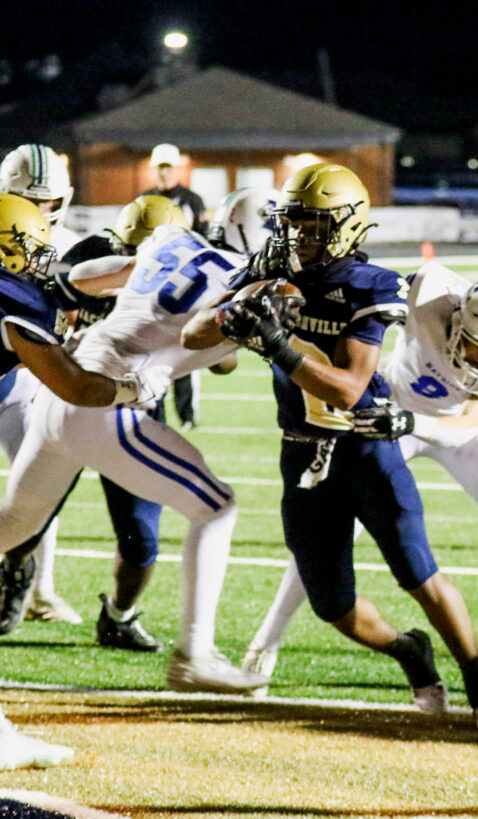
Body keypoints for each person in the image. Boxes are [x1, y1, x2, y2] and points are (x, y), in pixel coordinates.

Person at [181, 162, 478, 731]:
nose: (298, 235)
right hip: (301, 452)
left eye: (312, 225)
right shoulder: (270, 269)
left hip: (365, 446)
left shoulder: (373, 284)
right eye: (294, 223)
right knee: (331, 606)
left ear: (344, 226)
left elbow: (349, 387)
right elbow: (196, 340)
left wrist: (276, 341)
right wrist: (233, 313)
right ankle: (410, 653)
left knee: (418, 574)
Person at [241, 262, 478, 682]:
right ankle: (267, 637)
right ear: (457, 321)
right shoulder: (427, 295)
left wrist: (413, 423)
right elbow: (366, 304)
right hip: (387, 414)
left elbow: (468, 424)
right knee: (330, 534)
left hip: (452, 425)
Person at [0, 198, 274, 694]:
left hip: (62, 390)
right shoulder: (252, 284)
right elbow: (206, 343)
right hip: (107, 402)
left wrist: (62, 288)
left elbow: (96, 274)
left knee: (14, 524)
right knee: (217, 507)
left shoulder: (173, 239)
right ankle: (196, 653)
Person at [0, 192, 169, 767]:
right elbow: (74, 385)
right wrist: (132, 390)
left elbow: (71, 287)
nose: (42, 257)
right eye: (33, 247)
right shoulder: (11, 297)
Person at [0, 143, 84, 624]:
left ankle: (34, 586)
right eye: (27, 200)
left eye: (46, 202)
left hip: (23, 384)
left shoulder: (69, 245)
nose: (37, 212)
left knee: (38, 488)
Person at [141, 142, 206, 430]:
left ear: (176, 168)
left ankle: (187, 413)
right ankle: (154, 409)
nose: (164, 172)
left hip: (184, 286)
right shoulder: (143, 200)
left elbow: (205, 245)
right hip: (151, 285)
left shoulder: (192, 200)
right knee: (150, 350)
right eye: (160, 167)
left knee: (183, 350)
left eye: (168, 166)